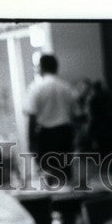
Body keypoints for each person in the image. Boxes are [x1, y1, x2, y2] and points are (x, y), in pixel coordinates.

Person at [25, 53, 75, 186]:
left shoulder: (36, 88)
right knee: (65, 172)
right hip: (64, 133)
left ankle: (53, 199)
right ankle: (67, 200)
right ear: (56, 68)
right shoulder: (66, 87)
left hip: (46, 135)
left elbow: (32, 117)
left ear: (41, 68)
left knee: (48, 173)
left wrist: (31, 142)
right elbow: (73, 115)